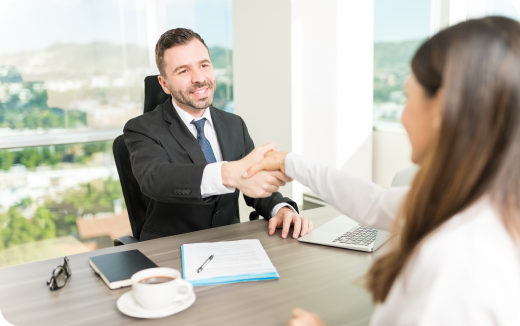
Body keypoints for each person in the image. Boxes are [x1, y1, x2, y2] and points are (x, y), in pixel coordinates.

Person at [245, 17, 520, 325]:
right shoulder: (480, 204)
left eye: (408, 96)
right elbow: (374, 202)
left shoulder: (455, 259)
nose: (402, 116)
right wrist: (289, 162)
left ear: (442, 109)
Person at [124, 28, 312, 241]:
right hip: (170, 250)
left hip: (230, 244)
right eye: (183, 71)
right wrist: (229, 173)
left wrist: (281, 209)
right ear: (164, 84)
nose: (199, 78)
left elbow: (253, 181)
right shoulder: (142, 128)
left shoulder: (234, 124)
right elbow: (155, 178)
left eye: (204, 65)